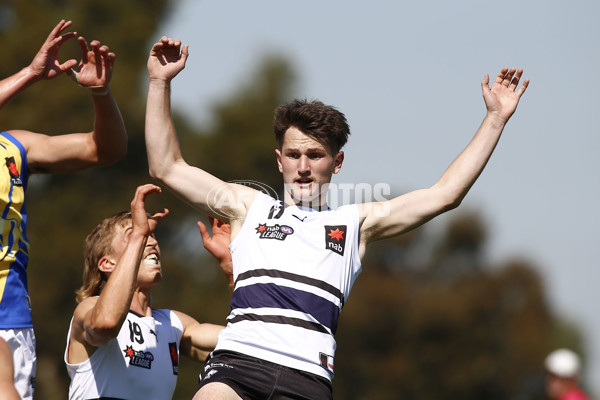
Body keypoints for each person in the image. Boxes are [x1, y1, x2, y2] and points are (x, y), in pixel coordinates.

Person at [145, 36, 529, 400]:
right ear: (279, 160)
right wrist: (160, 82)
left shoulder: (354, 223)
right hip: (236, 364)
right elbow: (167, 167)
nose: (304, 166)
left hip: (307, 379)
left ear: (337, 162)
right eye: (294, 155)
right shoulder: (250, 207)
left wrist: (495, 119)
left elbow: (445, 195)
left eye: (316, 155)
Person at [0, 20, 127, 399]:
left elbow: (106, 150)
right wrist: (30, 74)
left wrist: (101, 94)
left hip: (11, 321)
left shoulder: (14, 148)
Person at [64, 184, 231, 399]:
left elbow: (248, 341)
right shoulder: (88, 308)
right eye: (136, 234)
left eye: (151, 235)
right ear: (107, 264)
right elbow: (106, 323)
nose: (151, 241)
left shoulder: (173, 323)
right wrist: (138, 237)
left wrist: (231, 268)